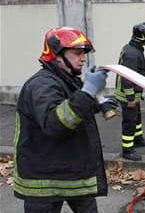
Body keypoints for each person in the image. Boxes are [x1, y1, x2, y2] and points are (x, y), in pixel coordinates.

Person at [14, 27, 112, 212]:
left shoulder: (66, 79)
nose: (83, 58)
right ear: (57, 55)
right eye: (77, 53)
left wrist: (97, 103)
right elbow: (56, 122)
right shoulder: (41, 84)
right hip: (44, 181)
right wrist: (89, 90)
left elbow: (71, 105)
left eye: (84, 53)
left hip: (70, 172)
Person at [115, 22, 145, 161]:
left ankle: (137, 139)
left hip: (133, 93)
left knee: (136, 118)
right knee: (129, 122)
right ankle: (127, 150)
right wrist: (130, 98)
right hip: (128, 94)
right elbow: (127, 77)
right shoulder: (132, 53)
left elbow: (138, 70)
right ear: (142, 37)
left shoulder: (133, 49)